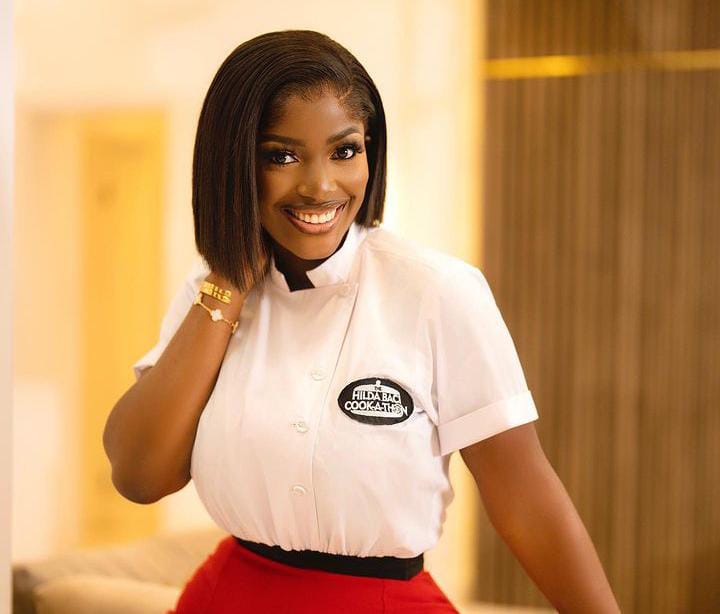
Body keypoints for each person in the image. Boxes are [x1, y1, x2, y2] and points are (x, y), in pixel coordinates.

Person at [103, 29, 620, 614]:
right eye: (281, 156)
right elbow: (140, 476)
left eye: (344, 151)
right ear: (233, 164)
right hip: (227, 597)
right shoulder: (209, 296)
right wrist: (229, 284)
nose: (320, 186)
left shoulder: (438, 292)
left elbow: (524, 498)